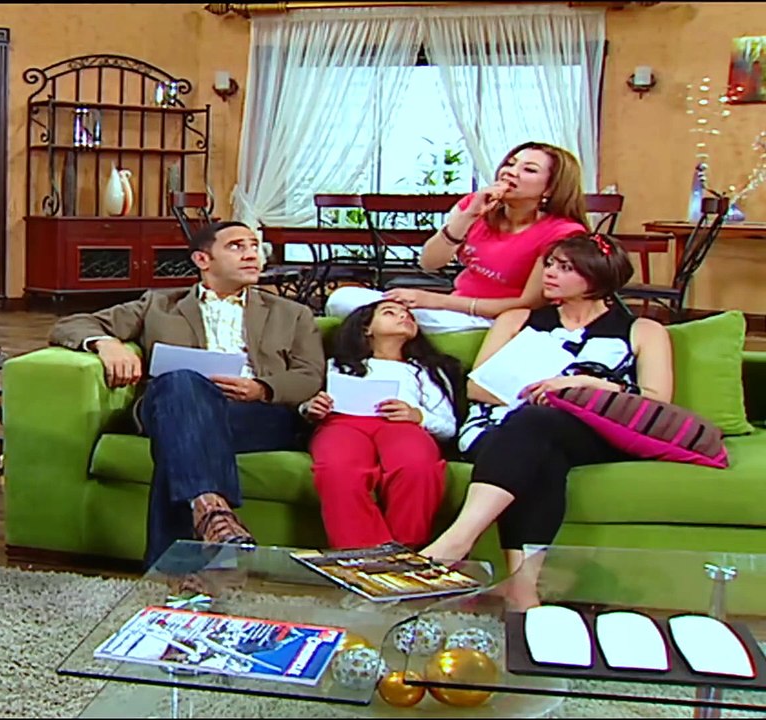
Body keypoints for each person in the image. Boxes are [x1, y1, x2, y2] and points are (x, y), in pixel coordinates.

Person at [48, 221, 325, 569]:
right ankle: (213, 516)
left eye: (254, 246)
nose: (251, 254)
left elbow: (310, 375)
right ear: (202, 260)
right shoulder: (159, 304)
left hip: (255, 414)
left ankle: (182, 556)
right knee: (182, 385)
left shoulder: (292, 313)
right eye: (236, 246)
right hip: (174, 403)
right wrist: (106, 343)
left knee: (179, 441)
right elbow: (70, 324)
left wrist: (262, 388)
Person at [420, 233, 673, 608]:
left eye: (565, 267)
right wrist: (541, 389)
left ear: (597, 277)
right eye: (550, 264)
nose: (549, 273)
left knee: (539, 422)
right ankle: (523, 589)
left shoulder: (643, 331)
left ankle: (457, 540)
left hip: (593, 431)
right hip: (502, 428)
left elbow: (656, 403)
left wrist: (584, 385)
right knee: (542, 449)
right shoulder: (517, 319)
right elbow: (477, 388)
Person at [325, 142, 590, 334]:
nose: (510, 172)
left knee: (373, 315)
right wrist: (469, 215)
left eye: (528, 170)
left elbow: (529, 303)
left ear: (550, 188)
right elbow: (429, 262)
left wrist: (435, 300)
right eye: (510, 164)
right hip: (453, 310)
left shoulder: (562, 232)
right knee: (343, 298)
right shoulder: (476, 206)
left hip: (497, 320)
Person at [301, 300, 462, 550]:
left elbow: (448, 426)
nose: (403, 316)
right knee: (338, 469)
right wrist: (311, 408)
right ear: (366, 328)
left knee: (416, 466)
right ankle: (360, 553)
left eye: (408, 314)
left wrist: (417, 416)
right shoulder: (336, 365)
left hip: (402, 425)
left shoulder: (426, 371)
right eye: (389, 312)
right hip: (343, 422)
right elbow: (304, 403)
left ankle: (404, 551)